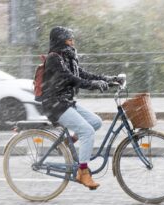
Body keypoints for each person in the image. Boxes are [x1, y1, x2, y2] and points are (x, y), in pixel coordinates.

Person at [41, 26, 121, 190]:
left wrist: (107, 79)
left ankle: (66, 142)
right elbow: (71, 79)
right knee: (87, 131)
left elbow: (82, 74)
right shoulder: (54, 58)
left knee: (96, 122)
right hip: (55, 105)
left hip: (66, 102)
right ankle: (82, 172)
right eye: (69, 40)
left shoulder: (67, 57)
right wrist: (93, 85)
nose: (72, 43)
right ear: (60, 41)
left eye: (72, 39)